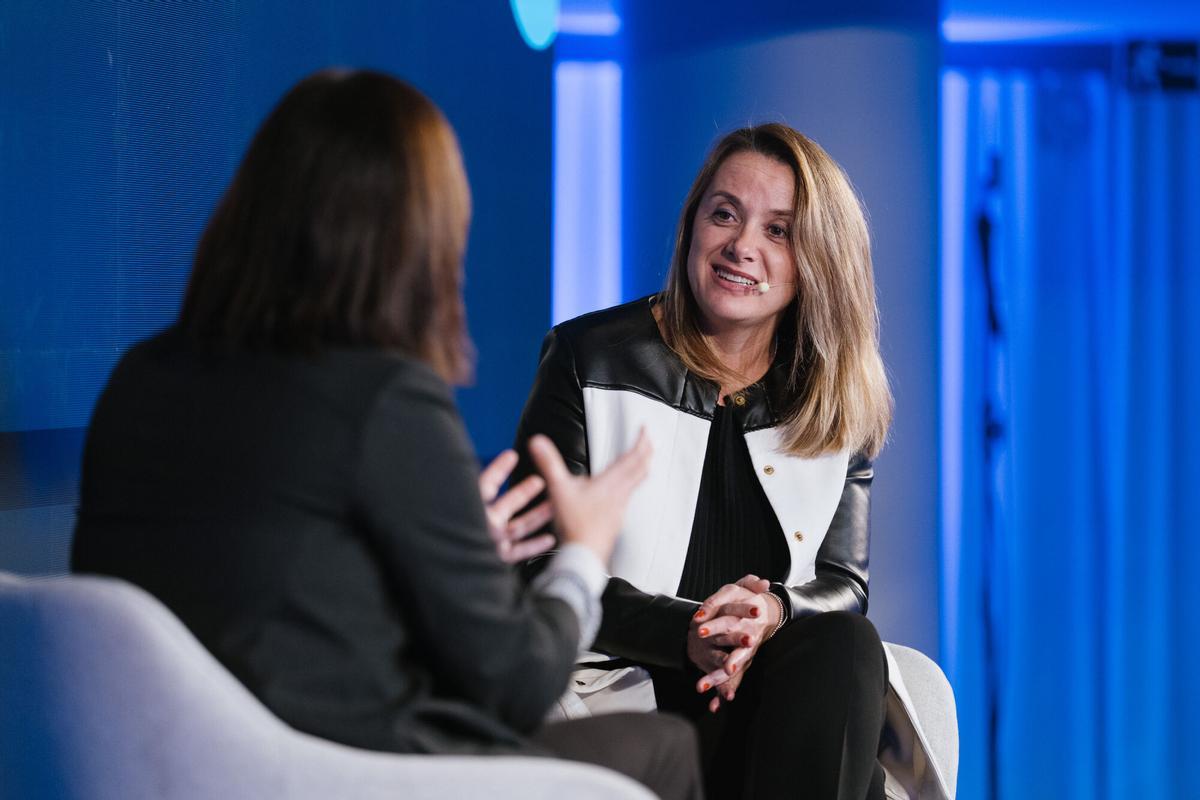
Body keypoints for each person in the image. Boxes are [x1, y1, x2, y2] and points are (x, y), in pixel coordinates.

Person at [70, 69, 701, 800]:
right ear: (418, 235)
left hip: (154, 765)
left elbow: (258, 591)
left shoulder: (140, 379)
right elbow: (520, 683)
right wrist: (584, 553)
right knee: (662, 745)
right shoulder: (384, 399)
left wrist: (439, 562)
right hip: (339, 773)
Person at [514, 124, 949, 799]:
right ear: (692, 226)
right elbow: (539, 569)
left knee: (844, 645)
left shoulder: (833, 398)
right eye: (725, 214)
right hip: (629, 689)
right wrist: (689, 633)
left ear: (816, 260)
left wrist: (773, 609)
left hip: (770, 697)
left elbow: (841, 585)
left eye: (779, 230)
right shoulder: (588, 357)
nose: (741, 246)